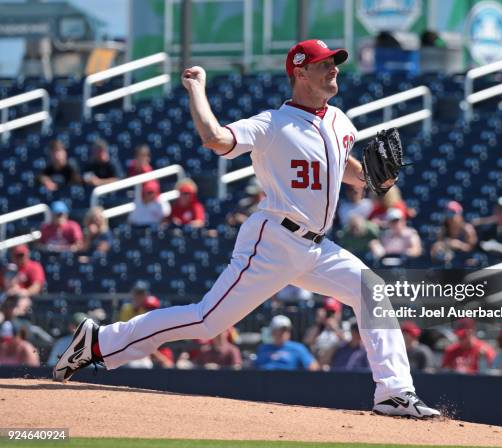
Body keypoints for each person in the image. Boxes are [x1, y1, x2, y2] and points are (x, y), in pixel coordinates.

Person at [54, 39, 440, 418]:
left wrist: (375, 180)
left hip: (317, 248)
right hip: (273, 240)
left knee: (371, 289)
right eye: (324, 63)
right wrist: (197, 88)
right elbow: (214, 138)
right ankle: (101, 341)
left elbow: (346, 167)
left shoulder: (339, 121)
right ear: (300, 72)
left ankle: (394, 393)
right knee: (207, 321)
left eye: (334, 62)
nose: (334, 68)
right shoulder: (271, 124)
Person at [303, 297, 347, 367]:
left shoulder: (345, 326)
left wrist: (335, 328)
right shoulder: (319, 327)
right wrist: (319, 324)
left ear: (339, 313)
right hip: (318, 363)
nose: (330, 315)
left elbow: (349, 343)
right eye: (328, 312)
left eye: (333, 312)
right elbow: (307, 342)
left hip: (337, 364)